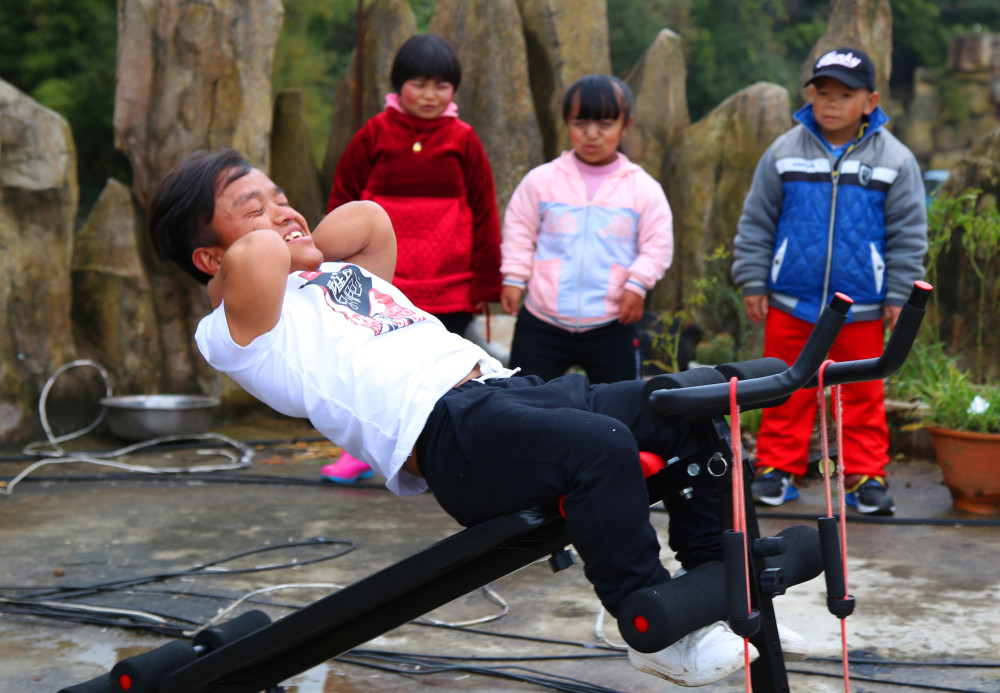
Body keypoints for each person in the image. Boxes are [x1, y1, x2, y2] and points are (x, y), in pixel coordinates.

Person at [149, 148, 805, 686]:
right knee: (599, 445)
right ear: (209, 258)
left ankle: (724, 596)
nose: (281, 210)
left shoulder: (327, 274)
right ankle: (654, 627)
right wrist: (284, 241)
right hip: (447, 432)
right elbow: (251, 259)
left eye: (280, 192)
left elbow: (370, 220)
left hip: (513, 391)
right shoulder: (239, 327)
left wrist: (296, 236)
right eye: (252, 206)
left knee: (682, 405)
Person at [732, 47, 928, 515]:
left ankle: (865, 475)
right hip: (790, 301)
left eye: (845, 93)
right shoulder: (783, 152)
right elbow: (757, 221)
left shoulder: (895, 160)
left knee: (862, 392)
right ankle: (778, 468)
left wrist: (900, 294)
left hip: (861, 305)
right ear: (811, 96)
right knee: (783, 386)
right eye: (823, 92)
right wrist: (753, 281)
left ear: (870, 100)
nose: (831, 103)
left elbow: (908, 234)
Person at [324, 33, 502, 484]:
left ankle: (437, 454)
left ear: (455, 91)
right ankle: (365, 450)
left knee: (443, 372)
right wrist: (331, 266)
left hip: (450, 280)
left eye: (442, 86)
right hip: (384, 279)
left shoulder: (463, 139)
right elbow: (345, 199)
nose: (429, 95)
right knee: (375, 370)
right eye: (419, 83)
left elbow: (484, 210)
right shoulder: (374, 133)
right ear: (399, 85)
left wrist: (485, 284)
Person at [500, 74, 672, 384]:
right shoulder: (541, 180)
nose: (591, 134)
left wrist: (638, 284)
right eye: (580, 123)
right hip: (542, 320)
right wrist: (514, 276)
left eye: (605, 124)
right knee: (523, 402)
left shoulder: (643, 189)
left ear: (625, 125)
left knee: (619, 408)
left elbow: (658, 245)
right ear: (567, 122)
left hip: (611, 323)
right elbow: (519, 231)